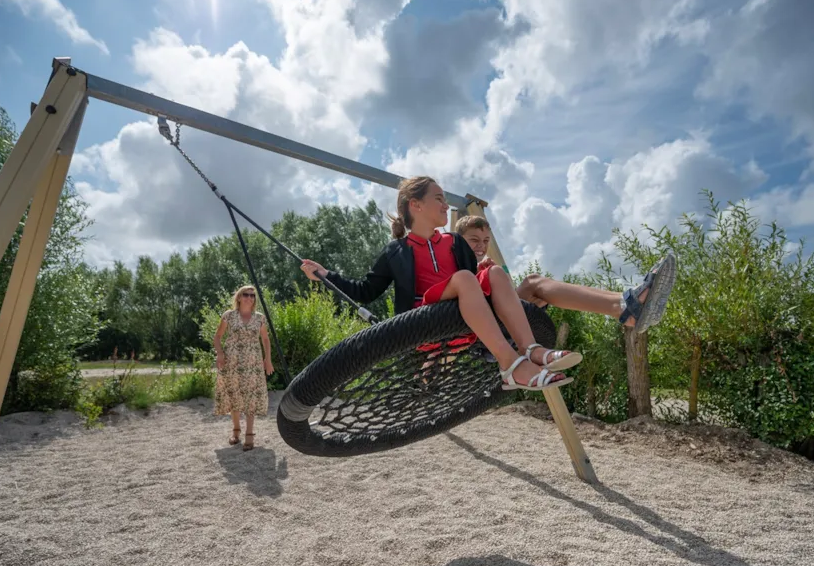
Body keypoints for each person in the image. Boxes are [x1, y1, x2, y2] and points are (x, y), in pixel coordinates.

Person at [300, 176, 580, 391]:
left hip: (461, 319)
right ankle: (510, 365)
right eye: (439, 199)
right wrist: (327, 276)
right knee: (464, 278)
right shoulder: (396, 251)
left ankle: (531, 349)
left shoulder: (454, 242)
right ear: (416, 205)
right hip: (425, 322)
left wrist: (520, 302)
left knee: (493, 273)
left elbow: (479, 287)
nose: (446, 205)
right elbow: (365, 291)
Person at [454, 215, 675, 334]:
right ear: (459, 239)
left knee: (537, 285)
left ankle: (626, 300)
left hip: (497, 318)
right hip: (479, 329)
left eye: (485, 241)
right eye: (474, 240)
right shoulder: (453, 264)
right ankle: (625, 308)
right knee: (533, 282)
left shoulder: (483, 267)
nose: (481, 247)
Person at [212, 285, 274, 450]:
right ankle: (236, 431)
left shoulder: (259, 318)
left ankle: (249, 434)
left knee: (251, 396)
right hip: (231, 362)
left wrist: (267, 359)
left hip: (253, 362)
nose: (249, 298)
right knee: (235, 395)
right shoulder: (229, 316)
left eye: (252, 296)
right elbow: (217, 337)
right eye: (246, 294)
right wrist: (220, 354)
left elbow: (266, 340)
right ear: (239, 297)